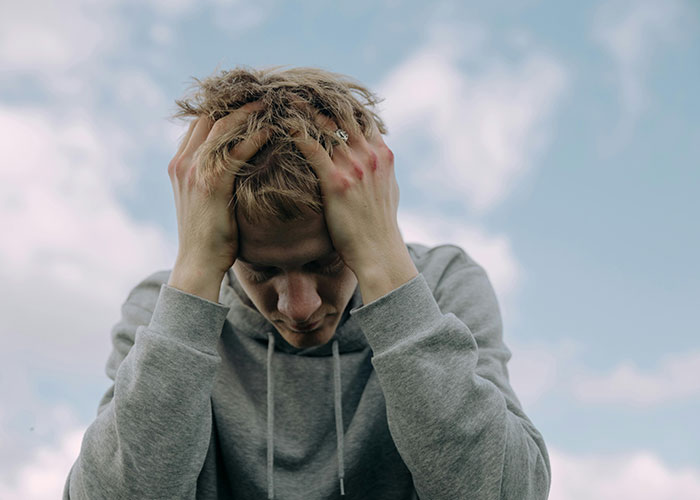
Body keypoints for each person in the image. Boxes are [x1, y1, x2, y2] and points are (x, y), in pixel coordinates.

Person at [62, 65, 551, 500]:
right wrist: (193, 271)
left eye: (328, 263)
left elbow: (509, 491)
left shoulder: (443, 285)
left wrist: (386, 270)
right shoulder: (162, 311)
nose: (299, 307)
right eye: (261, 271)